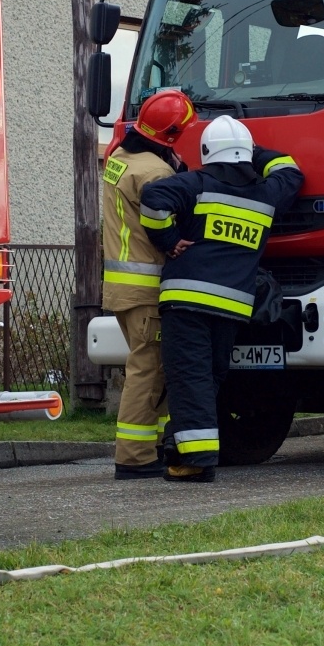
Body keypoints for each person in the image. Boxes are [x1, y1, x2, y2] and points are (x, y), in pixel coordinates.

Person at [139, 115, 303, 482]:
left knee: (188, 377)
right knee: (209, 377)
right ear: (244, 154)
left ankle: (197, 463)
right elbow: (290, 171)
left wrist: (168, 241)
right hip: (232, 307)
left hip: (186, 301)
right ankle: (185, 449)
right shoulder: (266, 193)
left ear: (207, 153)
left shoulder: (196, 184)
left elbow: (153, 198)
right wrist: (255, 153)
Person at [101, 89, 196, 479]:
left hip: (123, 287)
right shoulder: (155, 172)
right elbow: (173, 217)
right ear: (170, 135)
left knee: (148, 368)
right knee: (149, 369)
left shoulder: (121, 159)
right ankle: (135, 457)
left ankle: (151, 447)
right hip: (146, 286)